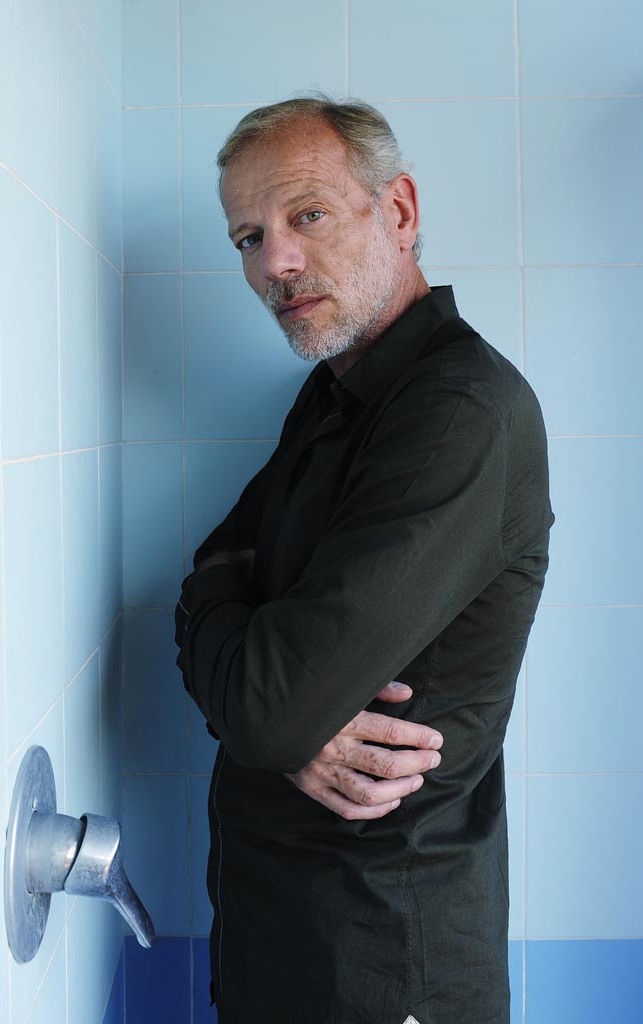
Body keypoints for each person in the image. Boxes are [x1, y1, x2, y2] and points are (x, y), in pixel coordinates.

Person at [174, 96, 553, 1024]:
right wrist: (262, 676)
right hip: (281, 935)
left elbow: (266, 710)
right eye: (247, 237)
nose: (276, 262)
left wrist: (277, 708)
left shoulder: (457, 412)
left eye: (305, 215)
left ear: (399, 210)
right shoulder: (330, 393)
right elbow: (208, 574)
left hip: (383, 959)